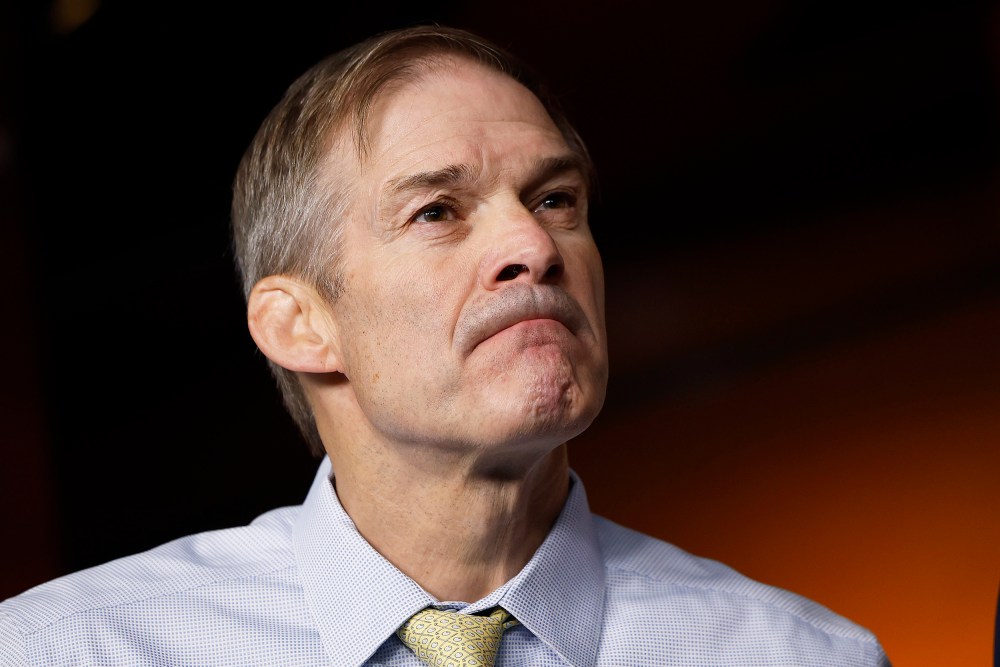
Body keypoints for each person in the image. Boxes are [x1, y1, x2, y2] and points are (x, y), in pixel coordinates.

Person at [0, 25, 890, 666]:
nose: (535, 248)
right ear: (297, 324)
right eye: (437, 211)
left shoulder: (803, 655)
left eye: (555, 200)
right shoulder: (70, 651)